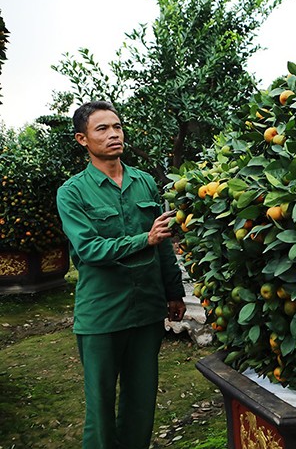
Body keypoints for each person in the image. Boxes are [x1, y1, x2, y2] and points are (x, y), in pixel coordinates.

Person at [56, 101, 186, 449]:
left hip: (146, 310)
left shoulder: (144, 182)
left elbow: (163, 246)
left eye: (117, 126)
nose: (114, 134)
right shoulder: (72, 192)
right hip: (102, 314)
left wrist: (174, 292)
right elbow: (89, 250)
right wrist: (143, 238)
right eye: (102, 129)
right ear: (82, 139)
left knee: (141, 403)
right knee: (100, 408)